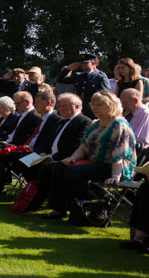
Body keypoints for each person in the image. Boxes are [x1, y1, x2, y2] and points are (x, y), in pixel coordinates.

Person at [43, 91, 137, 220]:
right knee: (60, 166)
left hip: (113, 166)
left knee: (74, 172)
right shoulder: (95, 123)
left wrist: (115, 176)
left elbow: (119, 154)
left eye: (99, 104)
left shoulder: (119, 125)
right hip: (93, 163)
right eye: (94, 104)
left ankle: (85, 209)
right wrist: (72, 158)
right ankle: (59, 209)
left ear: (111, 105)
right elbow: (83, 146)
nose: (95, 108)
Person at [0, 90, 63, 203]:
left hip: (37, 152)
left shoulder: (52, 119)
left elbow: (49, 141)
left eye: (38, 102)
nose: (35, 105)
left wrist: (29, 148)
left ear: (47, 103)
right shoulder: (41, 118)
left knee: (0, 156)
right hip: (25, 148)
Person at [17, 93, 92, 213]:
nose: (61, 109)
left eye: (65, 106)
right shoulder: (62, 122)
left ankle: (44, 203)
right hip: (49, 156)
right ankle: (34, 195)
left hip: (66, 158)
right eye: (60, 106)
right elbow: (50, 142)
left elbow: (76, 146)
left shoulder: (84, 122)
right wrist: (43, 154)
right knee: (23, 161)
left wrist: (52, 157)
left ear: (77, 106)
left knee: (47, 168)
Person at [56, 53, 110, 118]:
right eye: (82, 63)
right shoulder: (79, 76)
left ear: (93, 63)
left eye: (86, 63)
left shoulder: (100, 76)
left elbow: (105, 93)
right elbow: (61, 80)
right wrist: (68, 69)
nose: (83, 65)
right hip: (80, 109)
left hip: (93, 109)